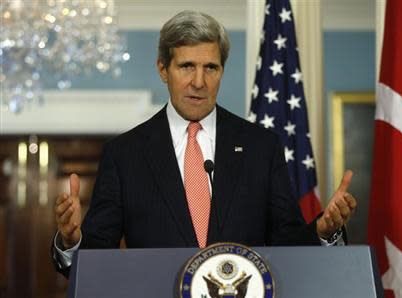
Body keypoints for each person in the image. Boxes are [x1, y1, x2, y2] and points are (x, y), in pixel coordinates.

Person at [51, 10, 356, 278]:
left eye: (211, 68)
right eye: (186, 67)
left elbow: (288, 244)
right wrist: (71, 241)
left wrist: (322, 231)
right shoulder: (124, 154)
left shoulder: (261, 147)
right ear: (163, 69)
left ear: (222, 71)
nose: (199, 81)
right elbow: (95, 259)